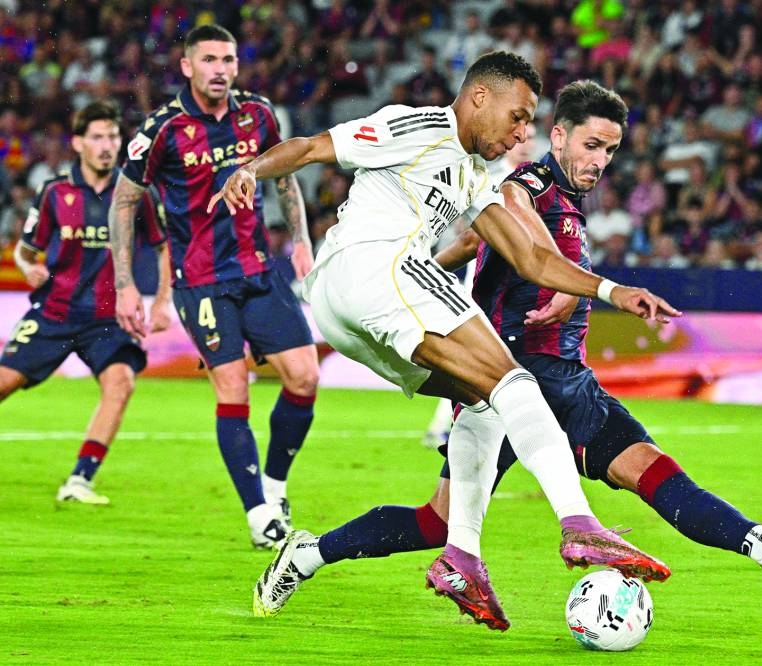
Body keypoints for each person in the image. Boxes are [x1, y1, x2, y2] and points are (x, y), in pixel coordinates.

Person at [247, 80, 762, 627]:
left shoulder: (543, 198)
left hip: (549, 383)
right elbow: (524, 240)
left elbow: (473, 247)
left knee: (611, 476)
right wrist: (563, 282)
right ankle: (597, 531)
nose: (600, 161)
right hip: (517, 372)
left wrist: (436, 268)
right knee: (610, 474)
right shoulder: (525, 187)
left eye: (610, 151)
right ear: (558, 136)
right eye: (591, 145)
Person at [209, 53, 678, 630]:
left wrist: (610, 290)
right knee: (515, 381)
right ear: (480, 97)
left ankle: (458, 555)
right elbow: (309, 148)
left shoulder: (475, 176)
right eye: (518, 116)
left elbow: (531, 257)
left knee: (484, 401)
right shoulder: (421, 126)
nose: (521, 134)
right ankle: (580, 524)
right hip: (374, 267)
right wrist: (251, 169)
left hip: (345, 308)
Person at [109, 25, 320, 550]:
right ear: (187, 66)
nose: (220, 69)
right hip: (201, 281)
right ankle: (259, 515)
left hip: (259, 270)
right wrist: (125, 285)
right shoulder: (162, 129)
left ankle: (274, 486)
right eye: (208, 60)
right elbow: (123, 202)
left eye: (227, 59)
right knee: (233, 388)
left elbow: (285, 176)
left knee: (305, 378)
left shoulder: (259, 114)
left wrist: (300, 238)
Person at [0, 100, 170, 504]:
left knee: (120, 383)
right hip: (55, 312)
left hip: (107, 320)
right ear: (78, 143)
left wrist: (162, 302)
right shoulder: (54, 192)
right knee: (4, 383)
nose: (107, 145)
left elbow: (165, 247)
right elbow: (26, 249)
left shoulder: (136, 193)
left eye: (112, 136)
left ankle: (80, 479)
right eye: (97, 137)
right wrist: (27, 267)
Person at [421, 120, 540, 449]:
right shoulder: (493, 177)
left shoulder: (534, 182)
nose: (526, 144)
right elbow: (469, 233)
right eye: (522, 138)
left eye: (532, 139)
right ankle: (448, 424)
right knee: (474, 355)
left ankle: (466, 425)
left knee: (499, 357)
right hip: (483, 278)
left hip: (515, 281)